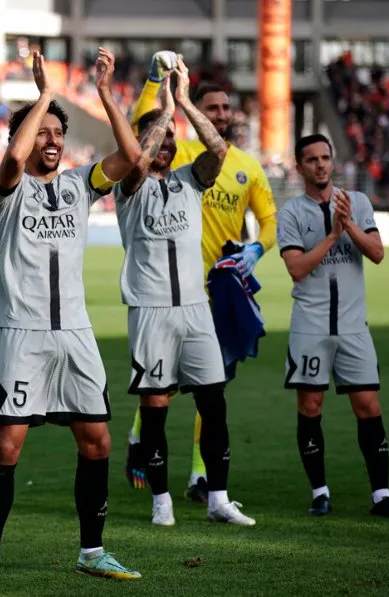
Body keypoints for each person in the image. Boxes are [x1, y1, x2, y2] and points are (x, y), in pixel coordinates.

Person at [0, 48, 142, 586]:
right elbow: (13, 162)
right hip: (22, 332)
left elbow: (132, 156)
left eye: (58, 133)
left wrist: (107, 96)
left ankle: (92, 551)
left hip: (76, 334)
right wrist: (42, 95)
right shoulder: (8, 188)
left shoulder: (78, 186)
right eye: (43, 132)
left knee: (98, 443)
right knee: (8, 446)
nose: (53, 141)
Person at [124, 52, 278, 502]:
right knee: (165, 392)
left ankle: (198, 477)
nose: (223, 115)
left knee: (215, 388)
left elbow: (268, 222)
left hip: (221, 288)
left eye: (227, 109)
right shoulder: (182, 154)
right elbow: (142, 125)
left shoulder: (247, 165)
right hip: (169, 294)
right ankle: (143, 443)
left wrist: (256, 248)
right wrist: (168, 93)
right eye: (214, 109)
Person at [277, 133, 389, 520]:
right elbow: (297, 268)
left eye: (326, 157)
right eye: (312, 159)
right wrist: (334, 235)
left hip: (354, 326)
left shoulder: (358, 202)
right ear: (300, 166)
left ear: (332, 161)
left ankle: (381, 496)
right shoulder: (290, 214)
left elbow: (377, 253)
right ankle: (320, 493)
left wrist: (349, 225)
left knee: (368, 406)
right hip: (311, 325)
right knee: (310, 406)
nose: (320, 165)